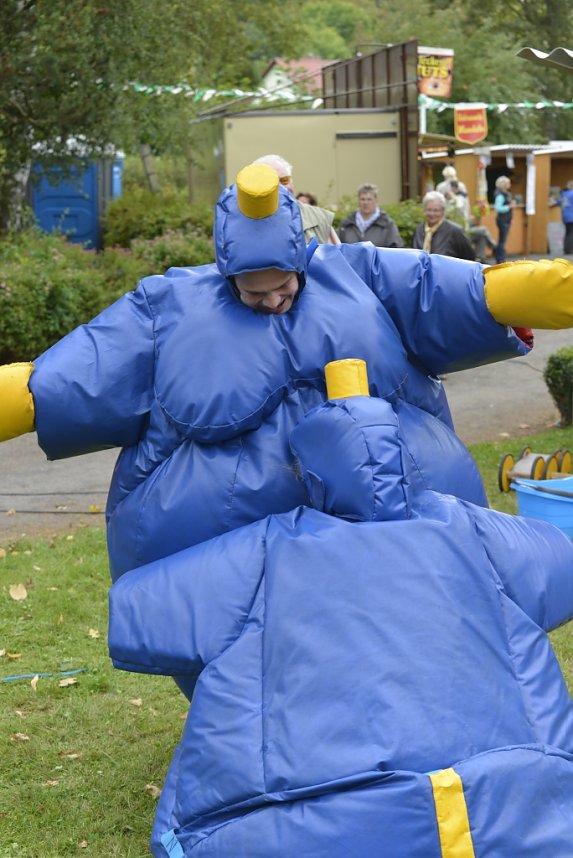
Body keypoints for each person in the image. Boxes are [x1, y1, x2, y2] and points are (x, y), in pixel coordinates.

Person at [0, 163, 572, 632]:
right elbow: (76, 374)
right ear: (227, 277)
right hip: (232, 556)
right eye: (255, 294)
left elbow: (451, 291)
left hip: (392, 509)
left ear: (300, 261)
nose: (273, 302)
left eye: (284, 287)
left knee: (411, 617)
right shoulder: (166, 311)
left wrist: (533, 292)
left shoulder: (357, 275)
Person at [109, 359, 573, 857]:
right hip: (516, 795)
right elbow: (560, 562)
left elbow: (135, 613)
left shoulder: (263, 551)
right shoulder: (470, 528)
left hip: (295, 824)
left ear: (309, 474)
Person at [252, 153, 339, 245]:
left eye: (284, 181)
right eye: (270, 183)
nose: (281, 188)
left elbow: (336, 257)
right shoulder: (242, 223)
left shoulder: (319, 219)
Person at [412, 191, 475, 260]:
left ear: (443, 211)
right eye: (429, 210)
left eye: (436, 210)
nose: (432, 214)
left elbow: (469, 258)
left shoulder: (455, 231)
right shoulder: (419, 229)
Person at [337, 182, 403, 247]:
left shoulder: (387, 225)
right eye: (362, 199)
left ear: (376, 200)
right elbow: (337, 247)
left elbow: (396, 250)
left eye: (369, 199)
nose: (365, 203)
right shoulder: (346, 224)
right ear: (358, 201)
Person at [493, 175, 515, 263]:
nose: (509, 184)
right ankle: (500, 259)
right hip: (502, 220)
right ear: (503, 184)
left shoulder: (506, 194)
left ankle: (500, 257)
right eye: (508, 183)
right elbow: (498, 208)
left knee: (502, 240)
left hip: (507, 219)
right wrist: (509, 206)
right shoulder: (500, 195)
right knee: (502, 240)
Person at [558, 180, 573, 255]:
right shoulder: (572, 194)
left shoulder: (563, 194)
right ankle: (568, 250)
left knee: (568, 232)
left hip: (565, 216)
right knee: (571, 233)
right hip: (572, 216)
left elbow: (558, 202)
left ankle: (566, 249)